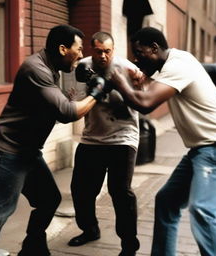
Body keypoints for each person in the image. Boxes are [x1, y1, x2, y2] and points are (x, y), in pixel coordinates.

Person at [111, 27, 216, 256]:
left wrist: (119, 80)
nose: (136, 58)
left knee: (203, 211)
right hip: (203, 149)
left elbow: (145, 103)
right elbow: (146, 91)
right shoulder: (174, 62)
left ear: (154, 48)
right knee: (167, 202)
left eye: (139, 52)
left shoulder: (177, 65)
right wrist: (137, 82)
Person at [0, 24, 106, 256]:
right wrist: (97, 92)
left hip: (28, 152)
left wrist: (72, 100)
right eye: (79, 48)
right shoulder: (36, 69)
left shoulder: (52, 69)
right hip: (10, 150)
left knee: (48, 199)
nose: (82, 55)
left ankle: (33, 249)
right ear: (63, 49)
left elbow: (58, 112)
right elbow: (68, 113)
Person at [67, 32, 142, 256]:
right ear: (91, 50)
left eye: (107, 51)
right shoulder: (81, 67)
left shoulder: (126, 68)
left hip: (123, 137)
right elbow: (73, 100)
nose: (102, 56)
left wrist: (127, 87)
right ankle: (90, 230)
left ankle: (129, 245)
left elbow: (142, 99)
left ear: (113, 49)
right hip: (92, 138)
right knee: (81, 190)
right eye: (98, 51)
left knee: (120, 192)